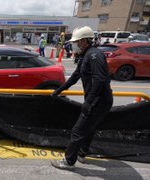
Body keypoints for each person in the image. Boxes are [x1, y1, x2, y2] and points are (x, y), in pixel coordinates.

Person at [50, 26, 113, 170]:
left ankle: (68, 161)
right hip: (97, 100)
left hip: (99, 101)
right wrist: (58, 91)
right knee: (89, 129)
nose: (74, 44)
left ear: (84, 41)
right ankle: (82, 154)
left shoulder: (94, 55)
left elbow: (100, 80)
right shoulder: (85, 55)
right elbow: (74, 77)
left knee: (78, 131)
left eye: (77, 41)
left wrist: (89, 102)